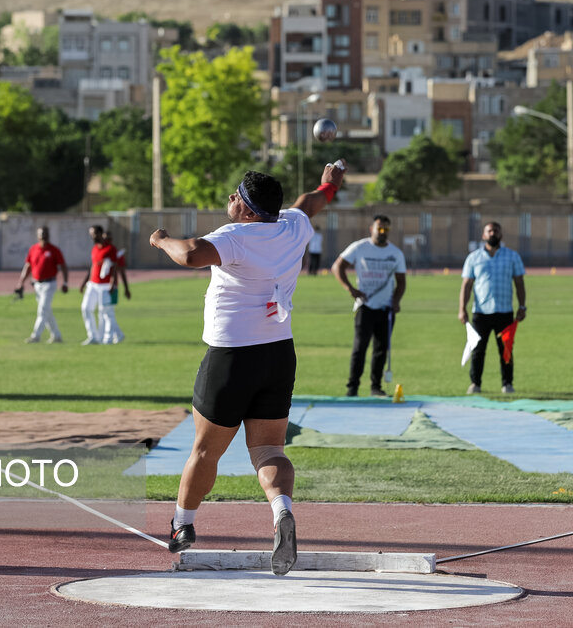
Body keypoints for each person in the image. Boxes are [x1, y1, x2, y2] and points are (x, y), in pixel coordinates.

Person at [149, 162, 345, 576]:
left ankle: (182, 525)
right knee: (270, 450)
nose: (232, 199)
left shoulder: (236, 237)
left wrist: (162, 239)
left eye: (238, 196)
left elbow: (189, 255)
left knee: (206, 449)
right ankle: (282, 513)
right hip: (277, 354)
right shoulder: (293, 226)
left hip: (231, 357)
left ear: (250, 211)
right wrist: (328, 187)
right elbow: (310, 203)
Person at [331, 215, 407, 397]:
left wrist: (396, 301)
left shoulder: (396, 253)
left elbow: (401, 282)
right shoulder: (360, 248)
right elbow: (337, 267)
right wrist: (351, 289)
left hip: (385, 309)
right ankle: (352, 388)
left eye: (386, 229)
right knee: (360, 348)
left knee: (381, 350)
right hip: (365, 306)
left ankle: (376, 387)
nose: (382, 232)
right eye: (379, 228)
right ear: (371, 229)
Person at [459, 221, 526, 394]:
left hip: (504, 311)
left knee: (506, 350)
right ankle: (475, 384)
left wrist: (522, 306)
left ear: (501, 235)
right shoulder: (474, 258)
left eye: (496, 231)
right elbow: (466, 284)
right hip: (481, 312)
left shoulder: (512, 256)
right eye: (489, 231)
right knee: (478, 350)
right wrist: (462, 308)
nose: (492, 234)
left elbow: (519, 282)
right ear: (483, 235)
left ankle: (507, 384)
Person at [17, 226, 69, 343]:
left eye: (45, 234)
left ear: (48, 235)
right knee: (47, 312)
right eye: (41, 234)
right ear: (38, 236)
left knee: (42, 310)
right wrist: (21, 282)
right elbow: (28, 266)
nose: (43, 236)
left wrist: (65, 282)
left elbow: (63, 266)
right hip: (37, 285)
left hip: (49, 284)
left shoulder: (54, 250)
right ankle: (56, 335)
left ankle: (36, 335)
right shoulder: (33, 249)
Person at [78, 226, 121, 346]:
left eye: (95, 233)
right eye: (91, 234)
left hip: (105, 285)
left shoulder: (111, 249)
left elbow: (114, 268)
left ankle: (107, 338)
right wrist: (84, 283)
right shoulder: (95, 249)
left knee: (105, 312)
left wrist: (112, 284)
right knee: (86, 308)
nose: (93, 236)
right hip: (93, 284)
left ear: (101, 234)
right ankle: (93, 336)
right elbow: (93, 266)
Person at [101, 230, 132, 344]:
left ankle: (108, 338)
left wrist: (126, 289)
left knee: (108, 312)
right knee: (106, 313)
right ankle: (119, 335)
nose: (107, 241)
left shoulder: (116, 253)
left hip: (112, 287)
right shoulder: (101, 252)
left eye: (109, 239)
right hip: (100, 286)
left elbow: (122, 272)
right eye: (105, 239)